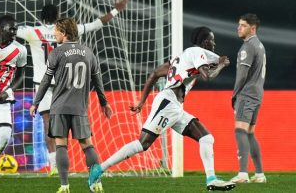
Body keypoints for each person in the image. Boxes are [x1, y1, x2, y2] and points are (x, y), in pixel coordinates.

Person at [88, 26, 236, 192]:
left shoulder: (180, 57)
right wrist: (221, 64)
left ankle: (211, 179)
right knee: (142, 144)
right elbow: (207, 76)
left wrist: (141, 102)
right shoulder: (197, 52)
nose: (214, 44)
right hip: (167, 103)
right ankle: (99, 169)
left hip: (174, 106)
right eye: (213, 40)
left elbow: (154, 74)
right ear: (206, 42)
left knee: (206, 138)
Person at [17, 0, 128, 175]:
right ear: (58, 17)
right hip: (66, 85)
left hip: (43, 86)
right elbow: (96, 24)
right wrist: (116, 10)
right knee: (78, 128)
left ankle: (54, 165)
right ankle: (91, 169)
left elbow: (10, 29)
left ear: (41, 17)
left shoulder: (32, 32)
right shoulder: (69, 31)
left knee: (48, 124)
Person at [29, 18, 112, 193]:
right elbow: (98, 81)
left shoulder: (56, 52)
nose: (54, 34)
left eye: (57, 31)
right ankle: (96, 183)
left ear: (64, 33)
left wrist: (36, 102)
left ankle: (65, 185)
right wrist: (104, 103)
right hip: (80, 107)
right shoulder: (88, 52)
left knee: (61, 145)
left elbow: (45, 81)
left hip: (59, 107)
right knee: (87, 145)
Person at [229, 13, 266, 184]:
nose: (239, 28)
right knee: (250, 133)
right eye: (239, 24)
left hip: (247, 93)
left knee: (240, 130)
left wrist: (235, 94)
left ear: (253, 28)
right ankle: (259, 174)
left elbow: (242, 75)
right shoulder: (259, 45)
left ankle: (243, 174)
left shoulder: (248, 47)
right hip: (258, 93)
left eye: (243, 25)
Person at [0, 15, 27, 187]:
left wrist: (8, 91)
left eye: (15, 29)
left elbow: (21, 75)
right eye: (10, 28)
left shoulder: (20, 50)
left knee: (4, 137)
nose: (14, 32)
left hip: (2, 101)